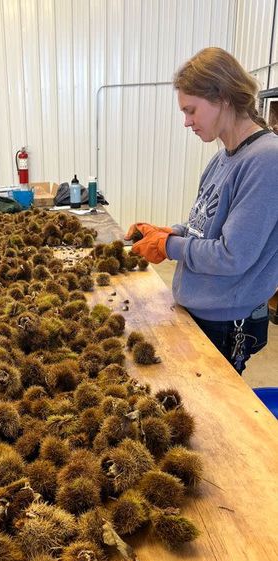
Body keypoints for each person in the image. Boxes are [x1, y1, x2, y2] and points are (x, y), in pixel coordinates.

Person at [125, 47, 278, 374]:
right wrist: (167, 232)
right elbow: (203, 228)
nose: (186, 122)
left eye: (191, 110)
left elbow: (232, 255)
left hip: (227, 323)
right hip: (199, 311)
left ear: (221, 97)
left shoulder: (266, 160)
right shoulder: (223, 157)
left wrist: (169, 246)